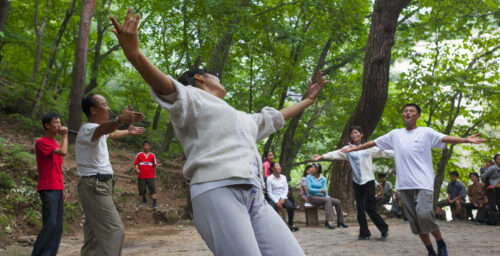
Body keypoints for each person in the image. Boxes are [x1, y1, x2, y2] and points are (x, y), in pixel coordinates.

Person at [110, 8, 329, 255]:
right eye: (213, 74)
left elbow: (275, 118)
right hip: (216, 190)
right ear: (199, 78)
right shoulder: (191, 99)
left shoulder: (239, 117)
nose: (219, 77)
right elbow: (167, 86)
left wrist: (308, 101)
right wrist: (135, 54)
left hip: (255, 195)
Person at [342, 103, 486, 256]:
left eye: (411, 111)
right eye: (405, 111)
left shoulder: (426, 132)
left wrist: (465, 140)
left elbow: (445, 138)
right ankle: (430, 250)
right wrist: (356, 148)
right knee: (415, 223)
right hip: (404, 186)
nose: (407, 113)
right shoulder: (395, 134)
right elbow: (374, 143)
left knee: (424, 215)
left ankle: (440, 242)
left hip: (423, 183)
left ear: (418, 115)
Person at [76, 94, 145, 255]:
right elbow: (103, 129)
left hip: (100, 185)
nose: (108, 108)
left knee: (94, 235)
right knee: (114, 231)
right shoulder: (89, 129)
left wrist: (127, 131)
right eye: (104, 105)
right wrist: (119, 120)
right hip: (95, 186)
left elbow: (111, 133)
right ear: (93, 110)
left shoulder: (98, 131)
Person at [311, 125, 390, 239]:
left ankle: (383, 228)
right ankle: (364, 233)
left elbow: (384, 153)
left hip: (368, 181)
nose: (354, 135)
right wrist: (322, 156)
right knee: (360, 209)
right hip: (357, 182)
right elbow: (336, 153)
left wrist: (400, 152)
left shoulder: (368, 148)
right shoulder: (348, 149)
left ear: (362, 134)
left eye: (357, 133)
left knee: (370, 207)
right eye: (352, 133)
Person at [31, 113, 68, 256]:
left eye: (60, 122)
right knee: (50, 224)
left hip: (57, 187)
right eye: (56, 122)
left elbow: (58, 168)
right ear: (47, 125)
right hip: (48, 187)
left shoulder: (55, 143)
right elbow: (64, 152)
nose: (59, 125)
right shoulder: (42, 141)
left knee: (58, 226)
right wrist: (65, 136)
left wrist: (62, 188)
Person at [306, 163, 348, 229]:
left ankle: (340, 221)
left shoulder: (323, 179)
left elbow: (325, 190)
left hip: (322, 197)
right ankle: (330, 222)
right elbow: (309, 189)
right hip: (312, 197)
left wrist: (325, 195)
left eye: (312, 167)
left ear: (317, 169)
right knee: (327, 200)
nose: (311, 169)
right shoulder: (309, 177)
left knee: (337, 202)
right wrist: (320, 191)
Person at [266, 162, 299, 232]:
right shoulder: (269, 179)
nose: (279, 167)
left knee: (290, 207)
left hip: (283, 197)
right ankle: (273, 226)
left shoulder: (283, 177)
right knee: (270, 208)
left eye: (279, 165)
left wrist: (283, 198)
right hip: (274, 198)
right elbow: (269, 192)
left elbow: (286, 189)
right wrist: (276, 202)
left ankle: (291, 224)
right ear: (273, 168)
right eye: (277, 166)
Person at [135, 141, 158, 209]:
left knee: (152, 188)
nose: (146, 146)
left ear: (150, 147)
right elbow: (136, 163)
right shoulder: (139, 154)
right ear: (143, 146)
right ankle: (144, 200)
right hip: (141, 175)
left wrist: (155, 174)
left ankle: (154, 203)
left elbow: (154, 166)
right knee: (142, 189)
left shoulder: (152, 155)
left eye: (148, 145)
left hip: (150, 175)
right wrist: (137, 169)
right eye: (145, 145)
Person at [481, 153, 500, 225]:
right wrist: (488, 184)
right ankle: (495, 221)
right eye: (498, 159)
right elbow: (483, 176)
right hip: (491, 189)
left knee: (499, 204)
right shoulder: (492, 168)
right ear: (495, 160)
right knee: (493, 205)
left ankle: (491, 221)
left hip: (499, 189)